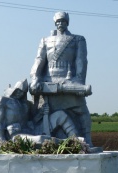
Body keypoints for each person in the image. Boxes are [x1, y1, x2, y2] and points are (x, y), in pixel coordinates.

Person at [29, 12, 93, 146]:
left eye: (63, 21)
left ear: (67, 22)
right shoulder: (45, 40)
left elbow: (81, 61)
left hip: (69, 82)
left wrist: (79, 83)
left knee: (82, 112)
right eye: (58, 21)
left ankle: (86, 140)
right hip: (47, 83)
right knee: (39, 114)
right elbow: (39, 60)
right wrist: (35, 78)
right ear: (55, 23)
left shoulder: (77, 39)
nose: (60, 24)